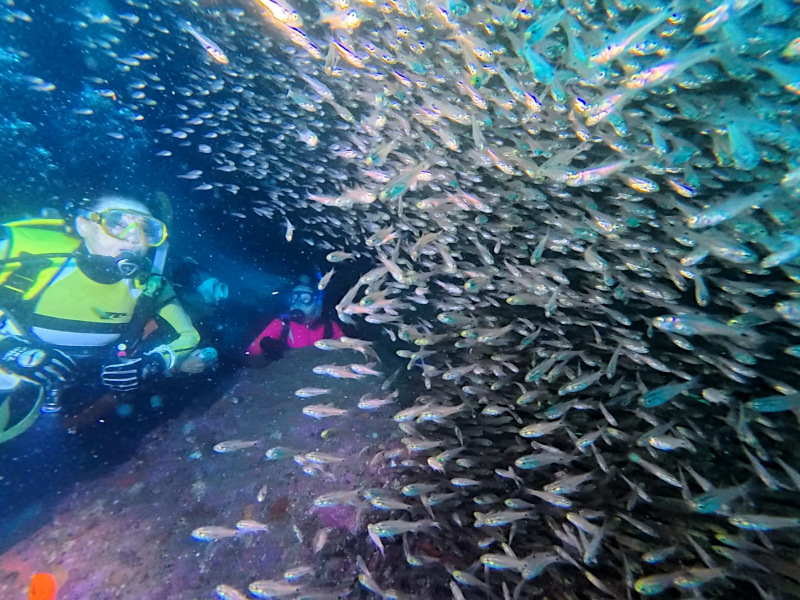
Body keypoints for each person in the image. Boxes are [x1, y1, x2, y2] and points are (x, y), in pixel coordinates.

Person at [0, 195, 200, 442]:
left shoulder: (150, 284)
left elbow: (188, 336)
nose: (134, 237)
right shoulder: (23, 253)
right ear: (84, 225)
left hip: (77, 400)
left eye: (147, 230)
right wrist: (6, 348)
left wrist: (155, 362)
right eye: (117, 223)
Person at [246, 274, 344, 360]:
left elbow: (347, 349)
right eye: (294, 298)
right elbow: (251, 353)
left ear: (316, 304)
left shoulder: (329, 326)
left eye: (305, 299)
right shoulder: (280, 324)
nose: (298, 303)